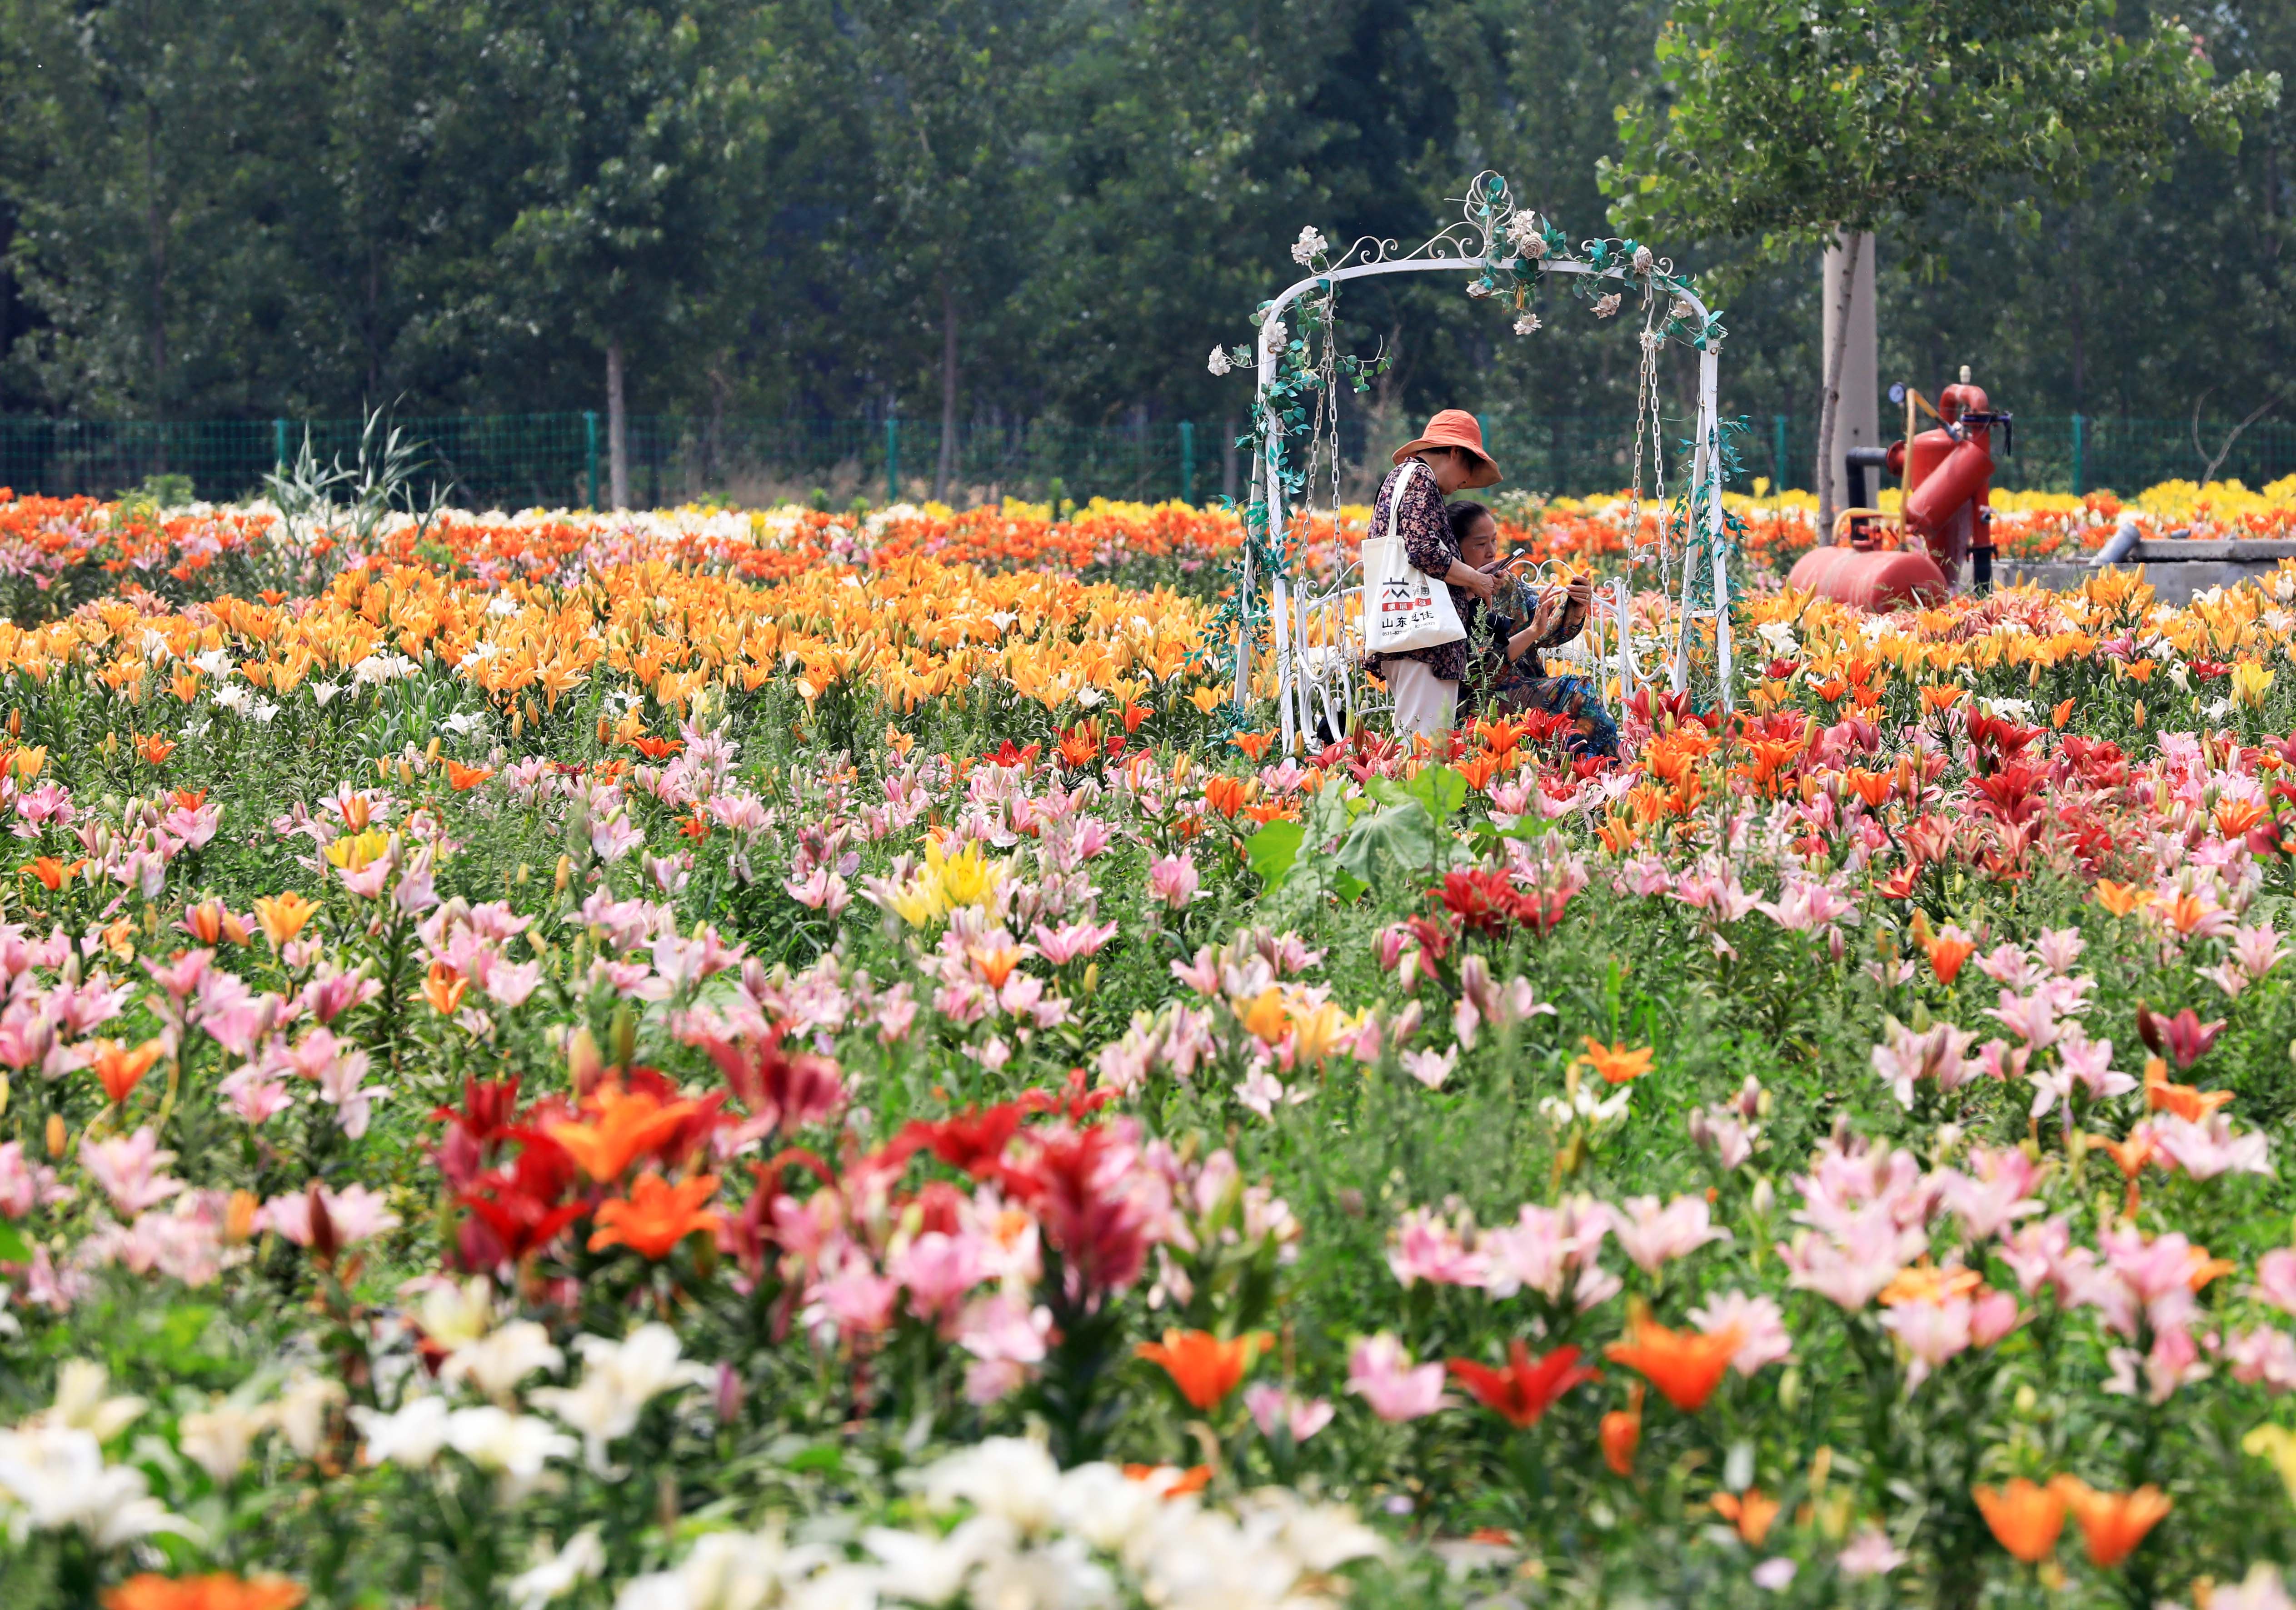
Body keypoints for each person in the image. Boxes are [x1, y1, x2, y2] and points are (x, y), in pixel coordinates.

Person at [1366, 410, 1503, 737]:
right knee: (1424, 749)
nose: (1465, 483)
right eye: (1469, 469)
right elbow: (1424, 551)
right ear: (1455, 452)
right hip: (1424, 643)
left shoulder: (1402, 479)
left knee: (1417, 743)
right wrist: (1475, 579)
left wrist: (1468, 580)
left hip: (1410, 636)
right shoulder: (1420, 478)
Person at [1448, 501, 1620, 759]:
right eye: (1480, 544)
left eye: (1494, 541)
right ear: (1454, 549)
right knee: (1576, 690)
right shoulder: (1446, 596)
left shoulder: (1506, 584)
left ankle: (1589, 770)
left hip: (1526, 685)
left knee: (1580, 698)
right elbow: (1479, 672)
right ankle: (1599, 771)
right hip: (1478, 699)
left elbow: (1548, 631)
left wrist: (1576, 605)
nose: (1491, 552)